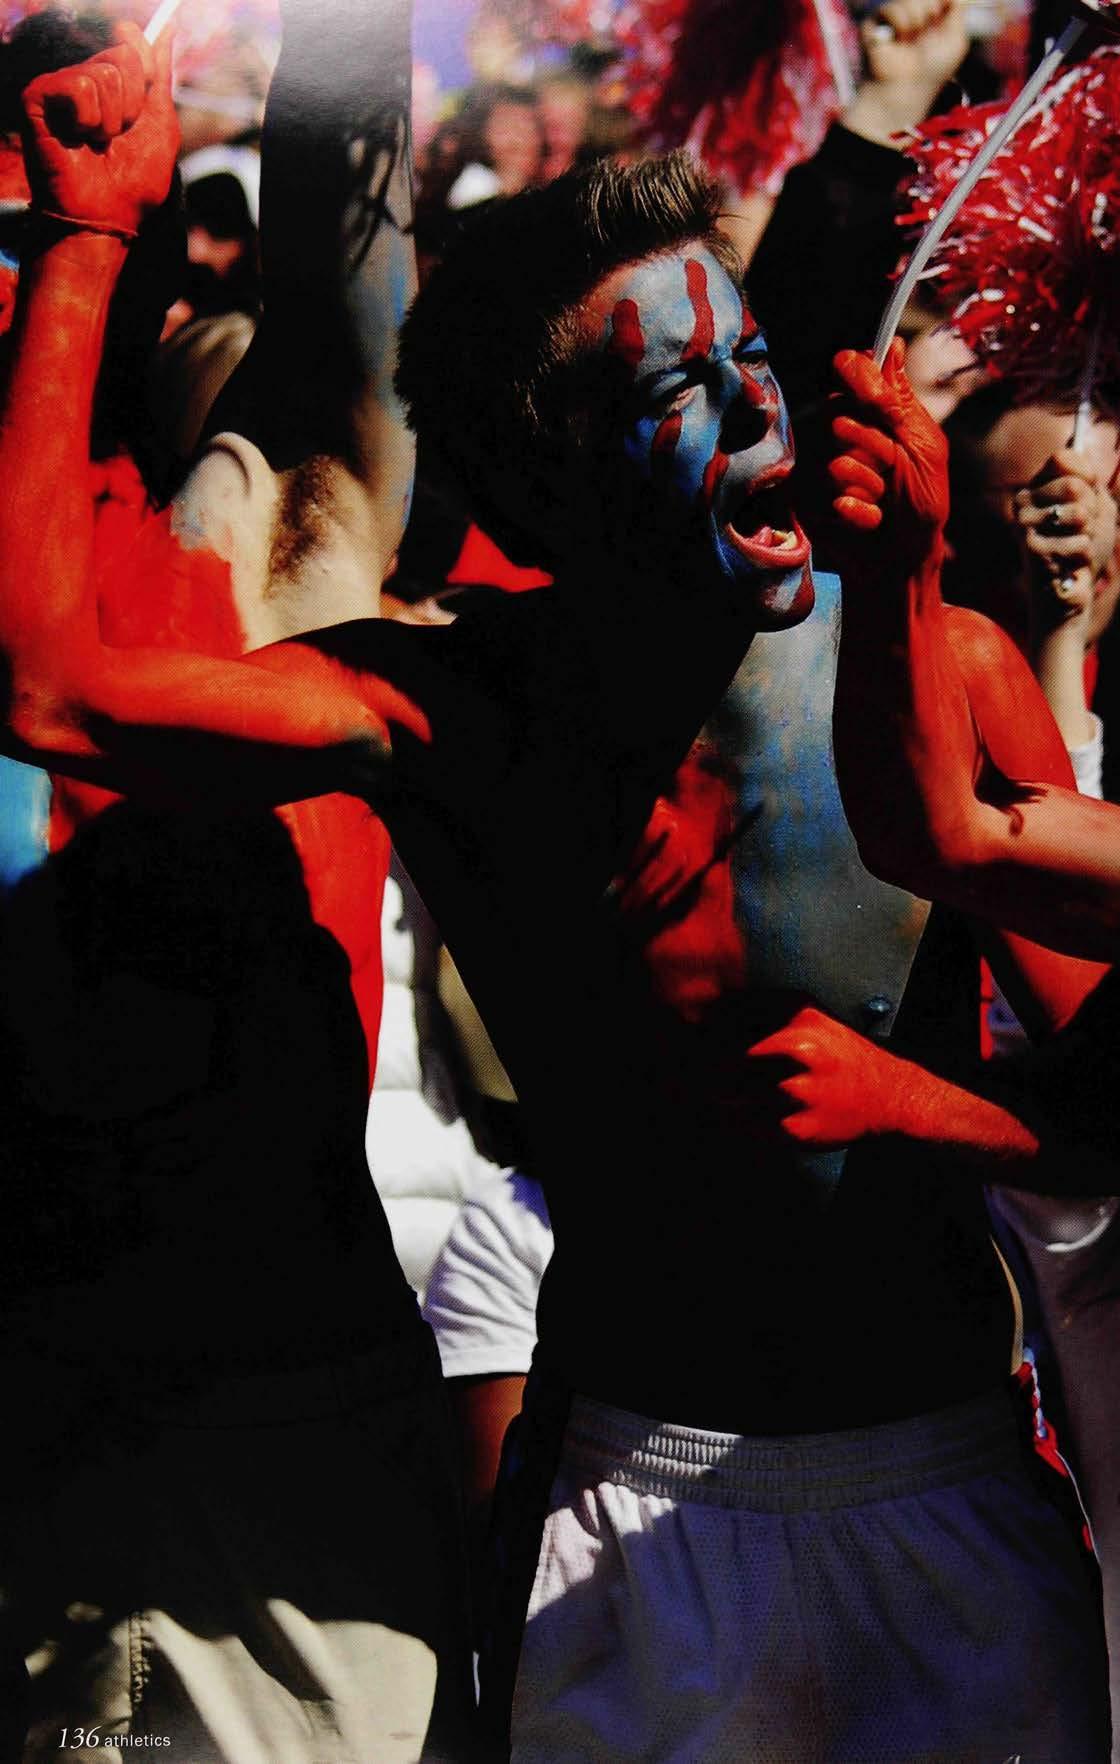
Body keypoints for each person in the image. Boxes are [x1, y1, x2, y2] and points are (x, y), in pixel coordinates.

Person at [1, 72, 1120, 1755]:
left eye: (750, 362)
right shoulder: (452, 715)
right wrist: (83, 234)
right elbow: (49, 689)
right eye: (680, 391)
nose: (756, 411)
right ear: (541, 488)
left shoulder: (943, 667)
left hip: (940, 1493)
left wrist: (908, 1101)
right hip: (627, 1514)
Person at [0, 11, 473, 1761]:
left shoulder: (273, 536)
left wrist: (342, 35)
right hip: (43, 1423)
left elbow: (344, 259)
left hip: (284, 1428)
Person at [827, 340, 1120, 1763]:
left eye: (1109, 502)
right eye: (1016, 505)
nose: (1076, 529)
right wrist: (904, 577)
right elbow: (955, 833)